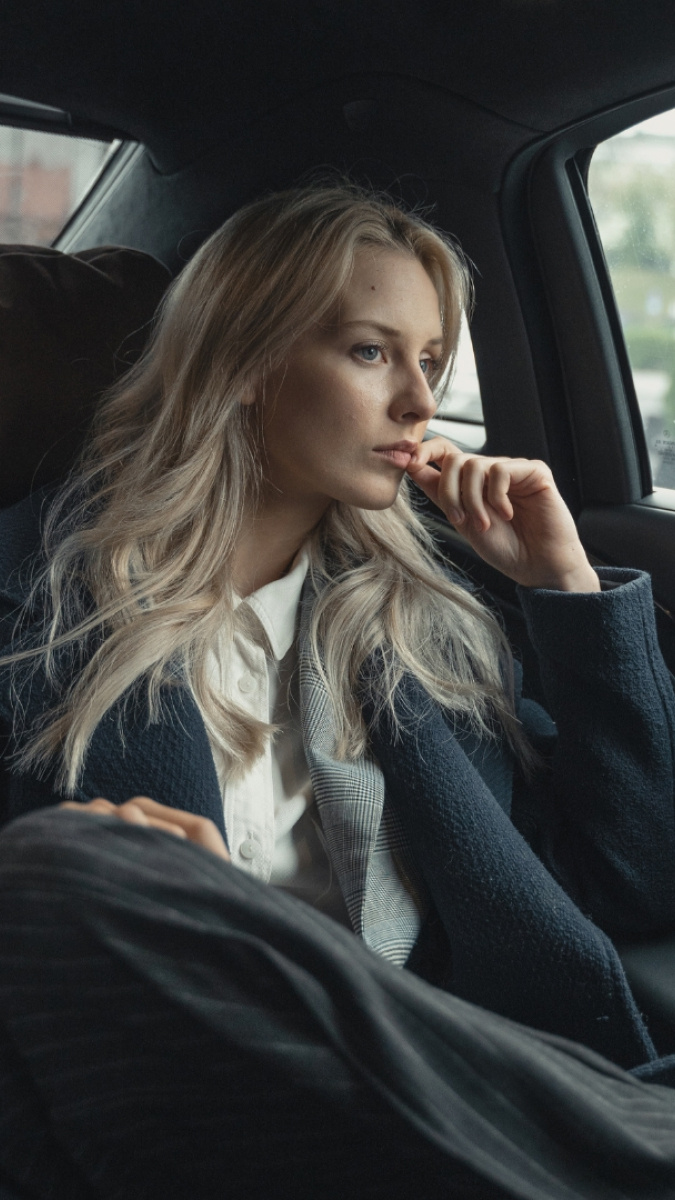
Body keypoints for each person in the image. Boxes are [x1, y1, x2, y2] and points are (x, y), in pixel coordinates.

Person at [0, 182, 674, 1200]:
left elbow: (631, 880)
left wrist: (566, 592)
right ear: (246, 363)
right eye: (372, 351)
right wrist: (162, 894)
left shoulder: (423, 632)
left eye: (432, 361)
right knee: (65, 868)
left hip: (445, 1076)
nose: (419, 400)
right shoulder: (30, 603)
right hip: (189, 1103)